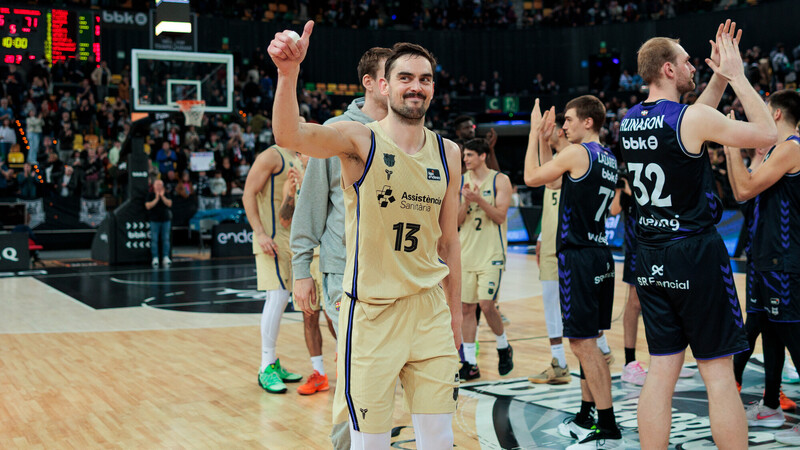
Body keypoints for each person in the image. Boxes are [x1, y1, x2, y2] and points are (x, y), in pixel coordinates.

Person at [269, 24, 462, 448]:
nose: (416, 87)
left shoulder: (448, 153)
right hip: (373, 313)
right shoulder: (358, 138)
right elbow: (289, 135)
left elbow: (448, 244)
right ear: (384, 87)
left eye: (425, 78)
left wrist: (455, 317)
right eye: (405, 78)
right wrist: (288, 74)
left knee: (439, 439)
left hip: (429, 311)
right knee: (369, 441)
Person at [619, 20, 776, 449]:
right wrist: (739, 75)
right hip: (695, 254)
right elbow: (768, 133)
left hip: (650, 255)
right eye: (687, 62)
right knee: (718, 373)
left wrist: (718, 77)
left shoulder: (630, 120)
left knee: (662, 369)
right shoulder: (690, 119)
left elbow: (692, 123)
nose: (694, 68)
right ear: (668, 69)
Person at [291, 46, 392, 409]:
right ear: (369, 82)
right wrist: (301, 270)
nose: (397, 82)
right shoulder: (335, 132)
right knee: (360, 368)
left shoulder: (406, 133)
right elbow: (311, 206)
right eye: (390, 74)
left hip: (392, 274)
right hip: (343, 271)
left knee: (379, 372)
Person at [524, 96, 621, 449]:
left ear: (588, 122)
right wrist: (548, 143)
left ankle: (607, 423)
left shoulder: (578, 154)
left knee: (582, 343)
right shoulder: (607, 157)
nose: (564, 126)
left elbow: (533, 177)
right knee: (588, 343)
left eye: (568, 120)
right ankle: (586, 412)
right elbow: (553, 183)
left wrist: (536, 134)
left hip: (577, 257)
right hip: (600, 255)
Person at [723, 90, 800, 443]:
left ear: (778, 115)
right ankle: (770, 403)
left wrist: (728, 144)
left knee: (794, 338)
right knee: (768, 332)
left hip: (783, 261)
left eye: (765, 112)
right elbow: (748, 197)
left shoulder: (792, 147)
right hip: (761, 258)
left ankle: (765, 398)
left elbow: (742, 189)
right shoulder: (772, 151)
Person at [242, 122, 306, 394]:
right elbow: (248, 194)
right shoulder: (271, 155)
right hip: (271, 238)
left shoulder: (298, 158)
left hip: (290, 238)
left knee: (282, 300)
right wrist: (259, 233)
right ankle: (265, 366)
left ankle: (273, 362)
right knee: (277, 297)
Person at [457, 137, 513, 381]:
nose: (465, 159)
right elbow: (456, 222)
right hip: (466, 253)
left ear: (482, 156)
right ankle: (469, 363)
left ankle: (504, 346)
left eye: (469, 155)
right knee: (466, 309)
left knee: (487, 305)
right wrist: (466, 203)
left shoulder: (500, 180)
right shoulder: (461, 182)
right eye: (464, 155)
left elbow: (500, 216)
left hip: (492, 254)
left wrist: (478, 199)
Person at [528, 112, 572, 385]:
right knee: (549, 300)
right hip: (552, 241)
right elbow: (550, 199)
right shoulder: (555, 161)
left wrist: (537, 136)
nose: (553, 128)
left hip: (571, 241)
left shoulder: (573, 158)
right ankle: (559, 360)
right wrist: (542, 236)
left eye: (555, 126)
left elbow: (544, 178)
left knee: (576, 305)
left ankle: (602, 351)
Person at [145, 179, 173, 268]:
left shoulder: (166, 194)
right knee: (154, 239)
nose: (159, 187)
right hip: (154, 220)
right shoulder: (150, 195)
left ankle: (165, 256)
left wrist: (162, 197)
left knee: (166, 239)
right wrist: (157, 198)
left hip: (165, 220)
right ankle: (155, 257)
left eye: (160, 185)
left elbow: (169, 204)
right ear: (153, 186)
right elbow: (148, 206)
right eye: (157, 185)